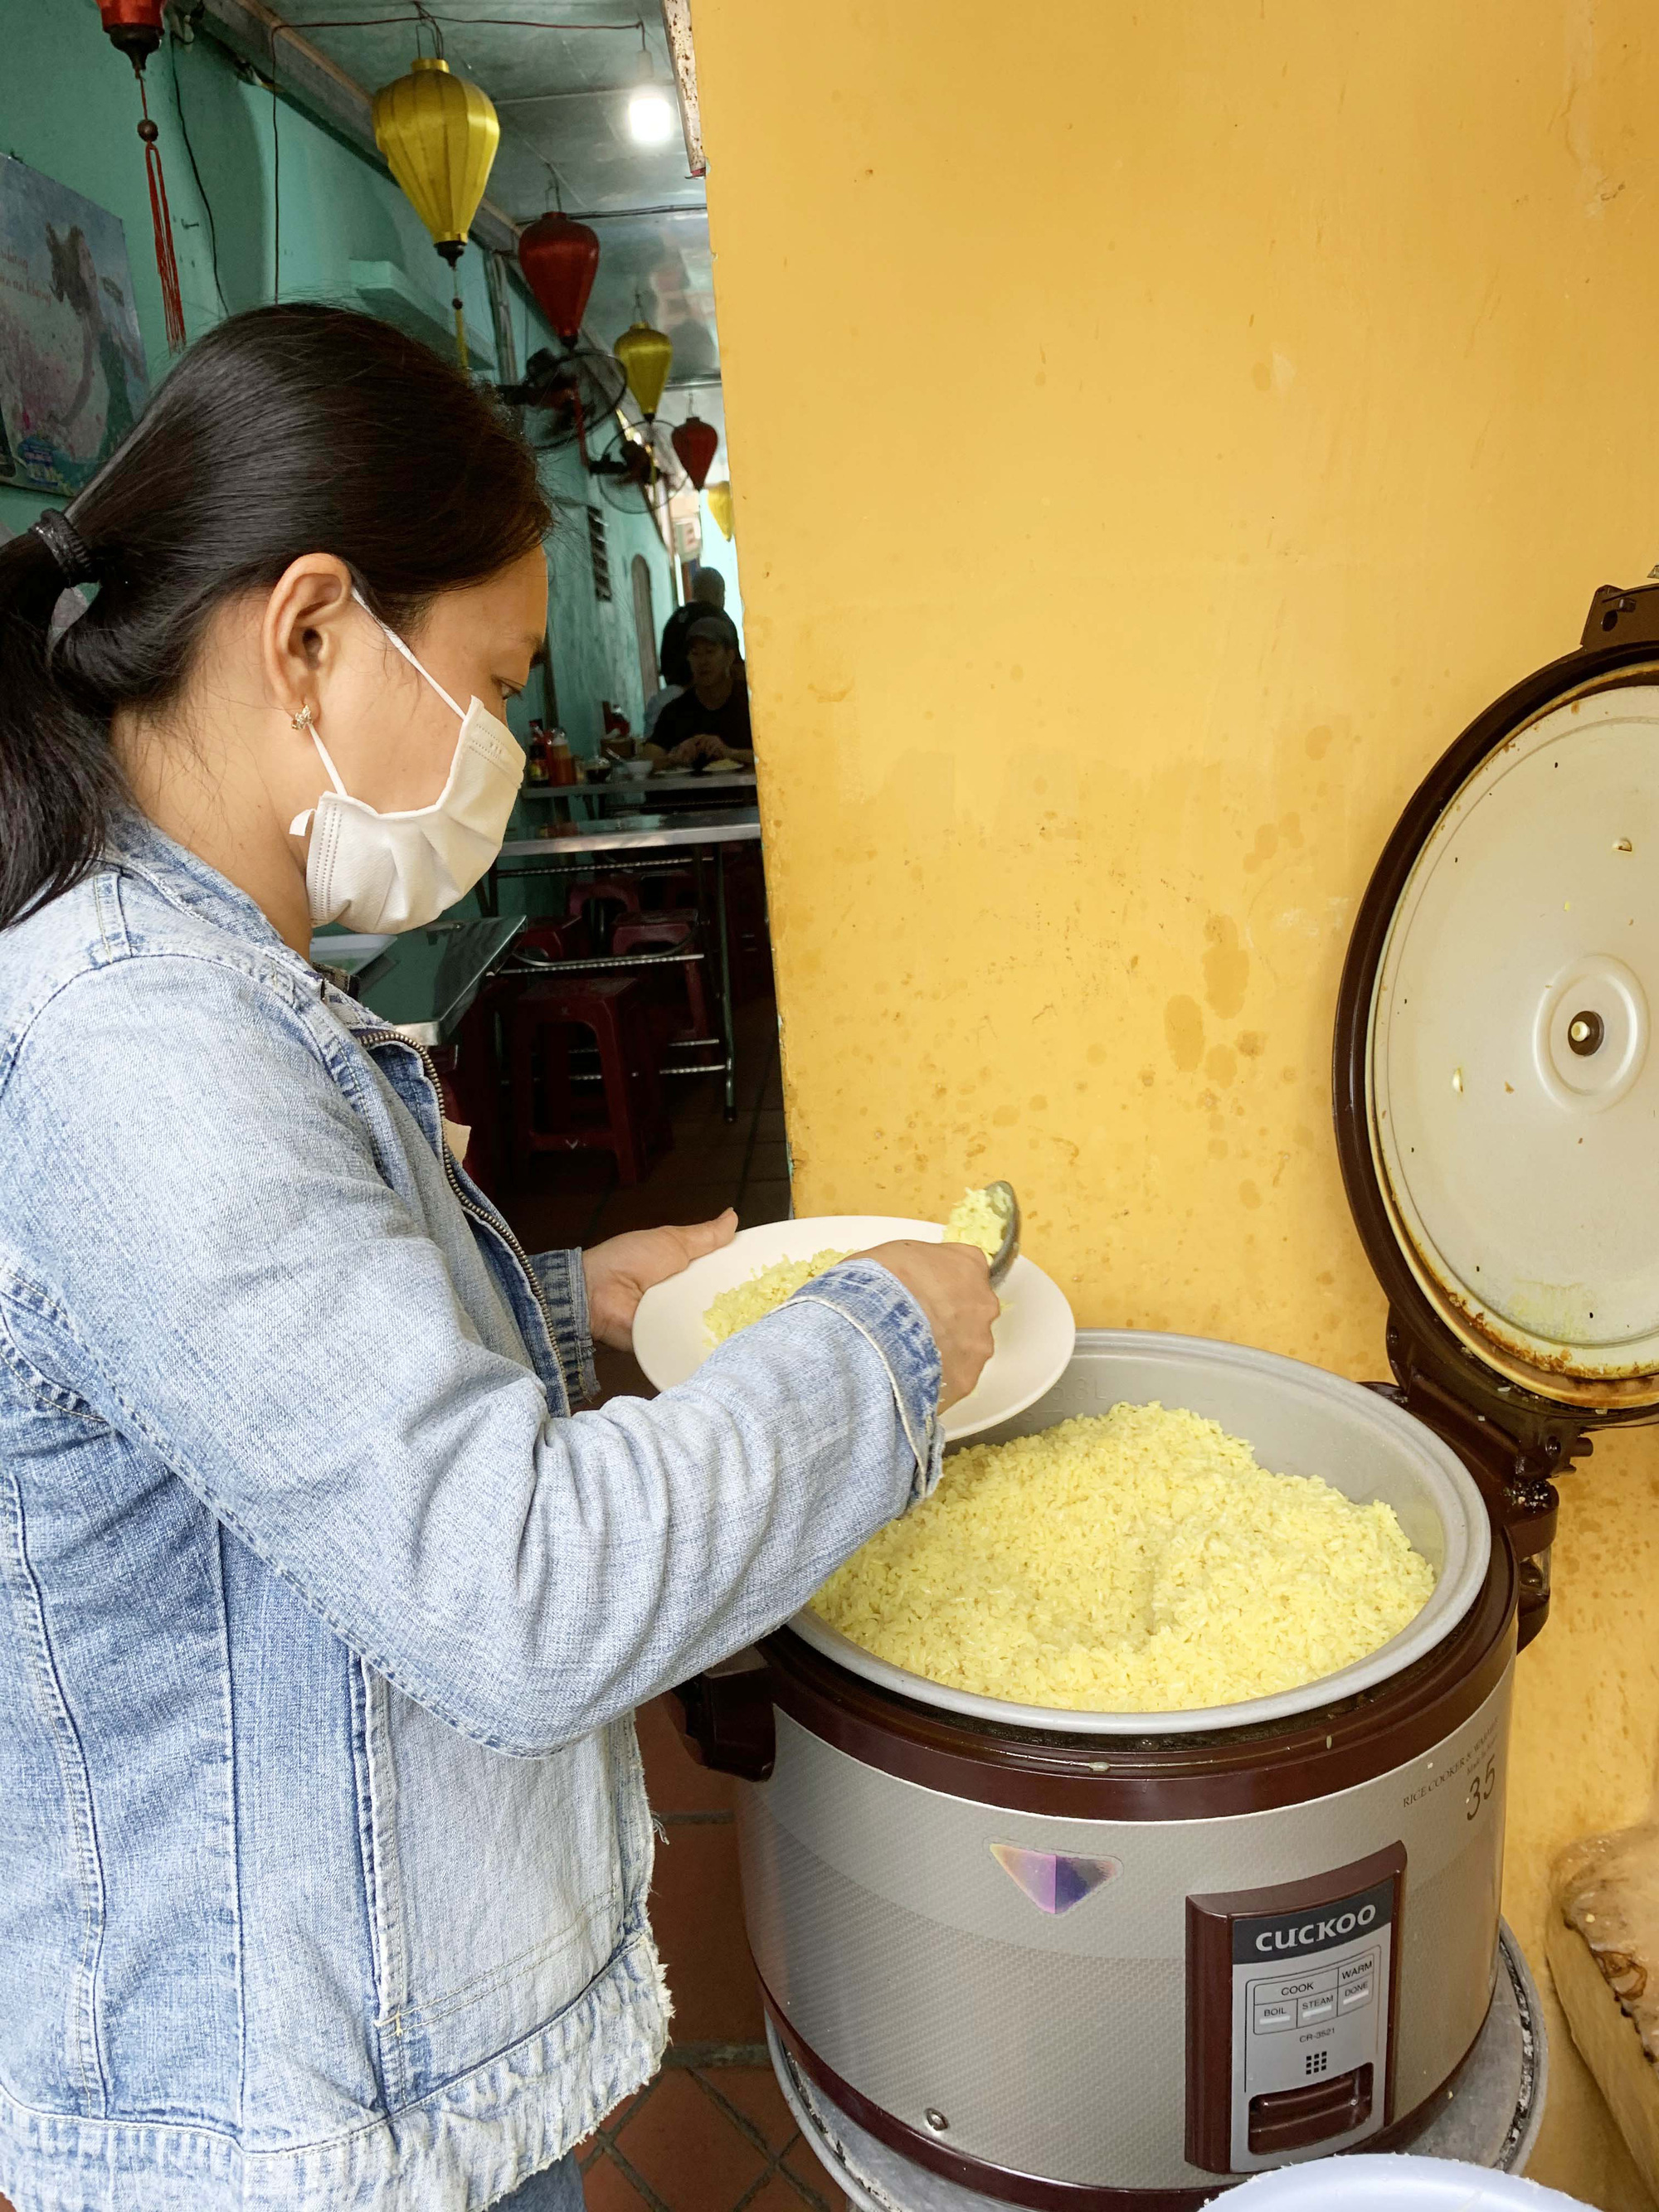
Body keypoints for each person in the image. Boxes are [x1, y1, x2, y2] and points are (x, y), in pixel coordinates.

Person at [0, 305, 998, 2212]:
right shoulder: (144, 1049)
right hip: (274, 2127)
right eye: (494, 678)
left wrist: (568, 1301)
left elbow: (241, 1431)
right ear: (306, 638)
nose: (516, 748)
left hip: (352, 2060)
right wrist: (886, 1342)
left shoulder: (201, 984)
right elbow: (515, 1596)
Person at [645, 610, 754, 766]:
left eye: (710, 652)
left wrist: (730, 753)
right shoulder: (676, 711)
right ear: (688, 659)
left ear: (729, 657)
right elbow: (646, 761)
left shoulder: (751, 704)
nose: (703, 661)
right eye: (695, 653)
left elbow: (776, 755)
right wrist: (675, 756)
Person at [658, 563, 727, 688]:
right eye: (723, 594)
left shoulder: (674, 621)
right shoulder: (719, 620)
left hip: (678, 702)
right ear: (717, 593)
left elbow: (667, 671)